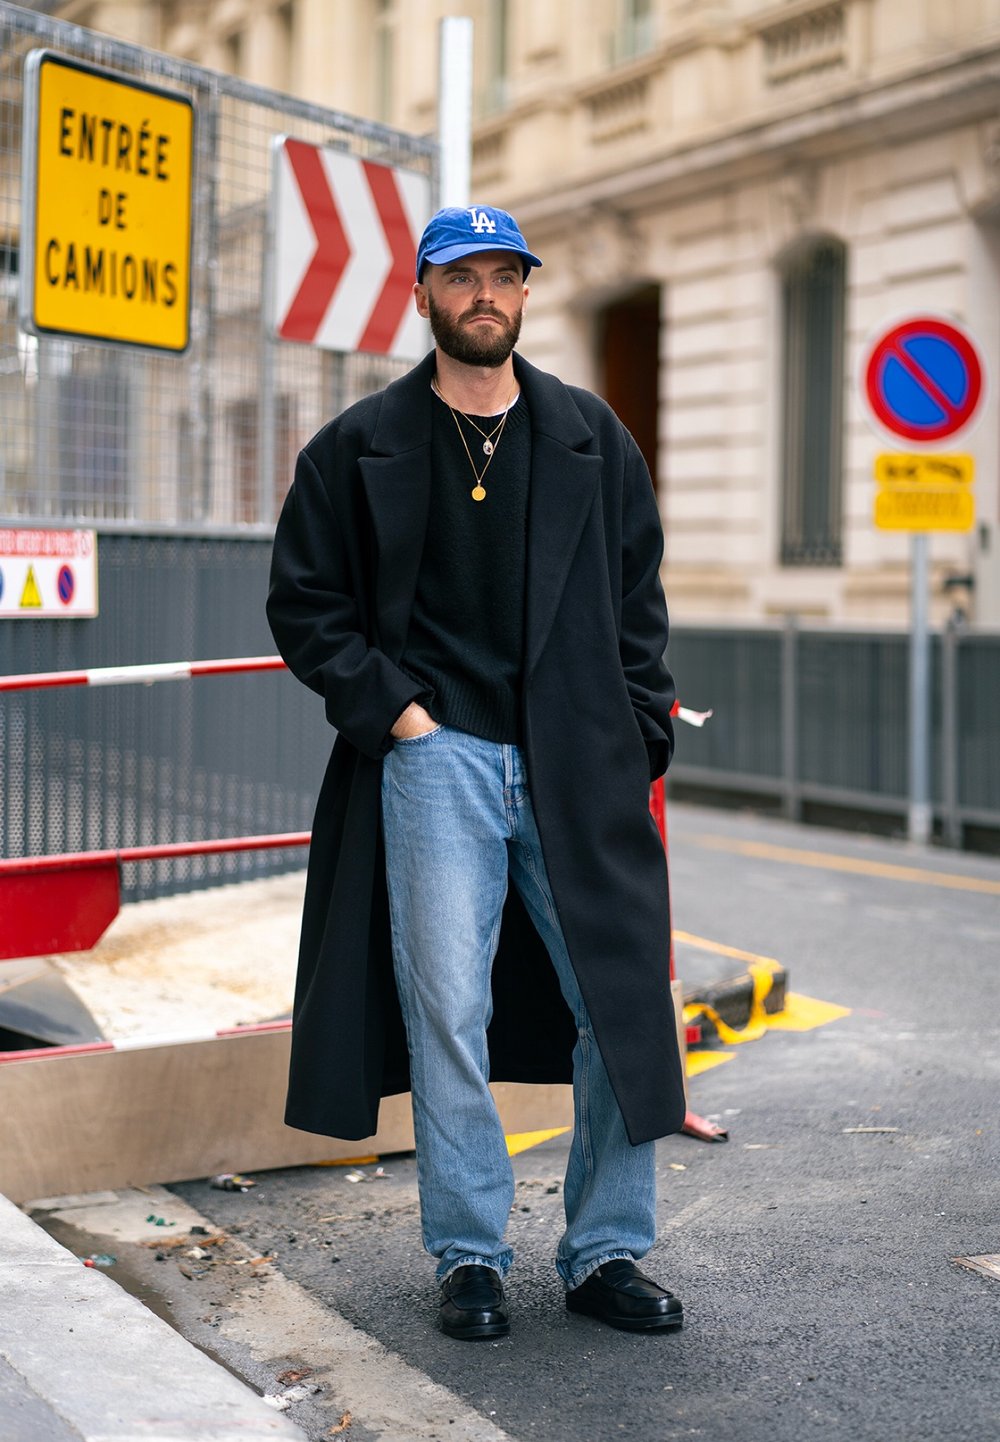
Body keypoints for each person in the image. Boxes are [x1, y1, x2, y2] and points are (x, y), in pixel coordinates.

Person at [267, 204, 686, 1341]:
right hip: (434, 757)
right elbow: (303, 603)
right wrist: (395, 714)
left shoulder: (589, 435)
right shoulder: (358, 445)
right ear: (423, 295)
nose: (486, 293)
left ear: (525, 293)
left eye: (505, 274)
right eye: (463, 276)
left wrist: (638, 720)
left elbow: (638, 597)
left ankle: (605, 1249)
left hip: (575, 756)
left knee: (621, 1001)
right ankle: (469, 1255)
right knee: (446, 1008)